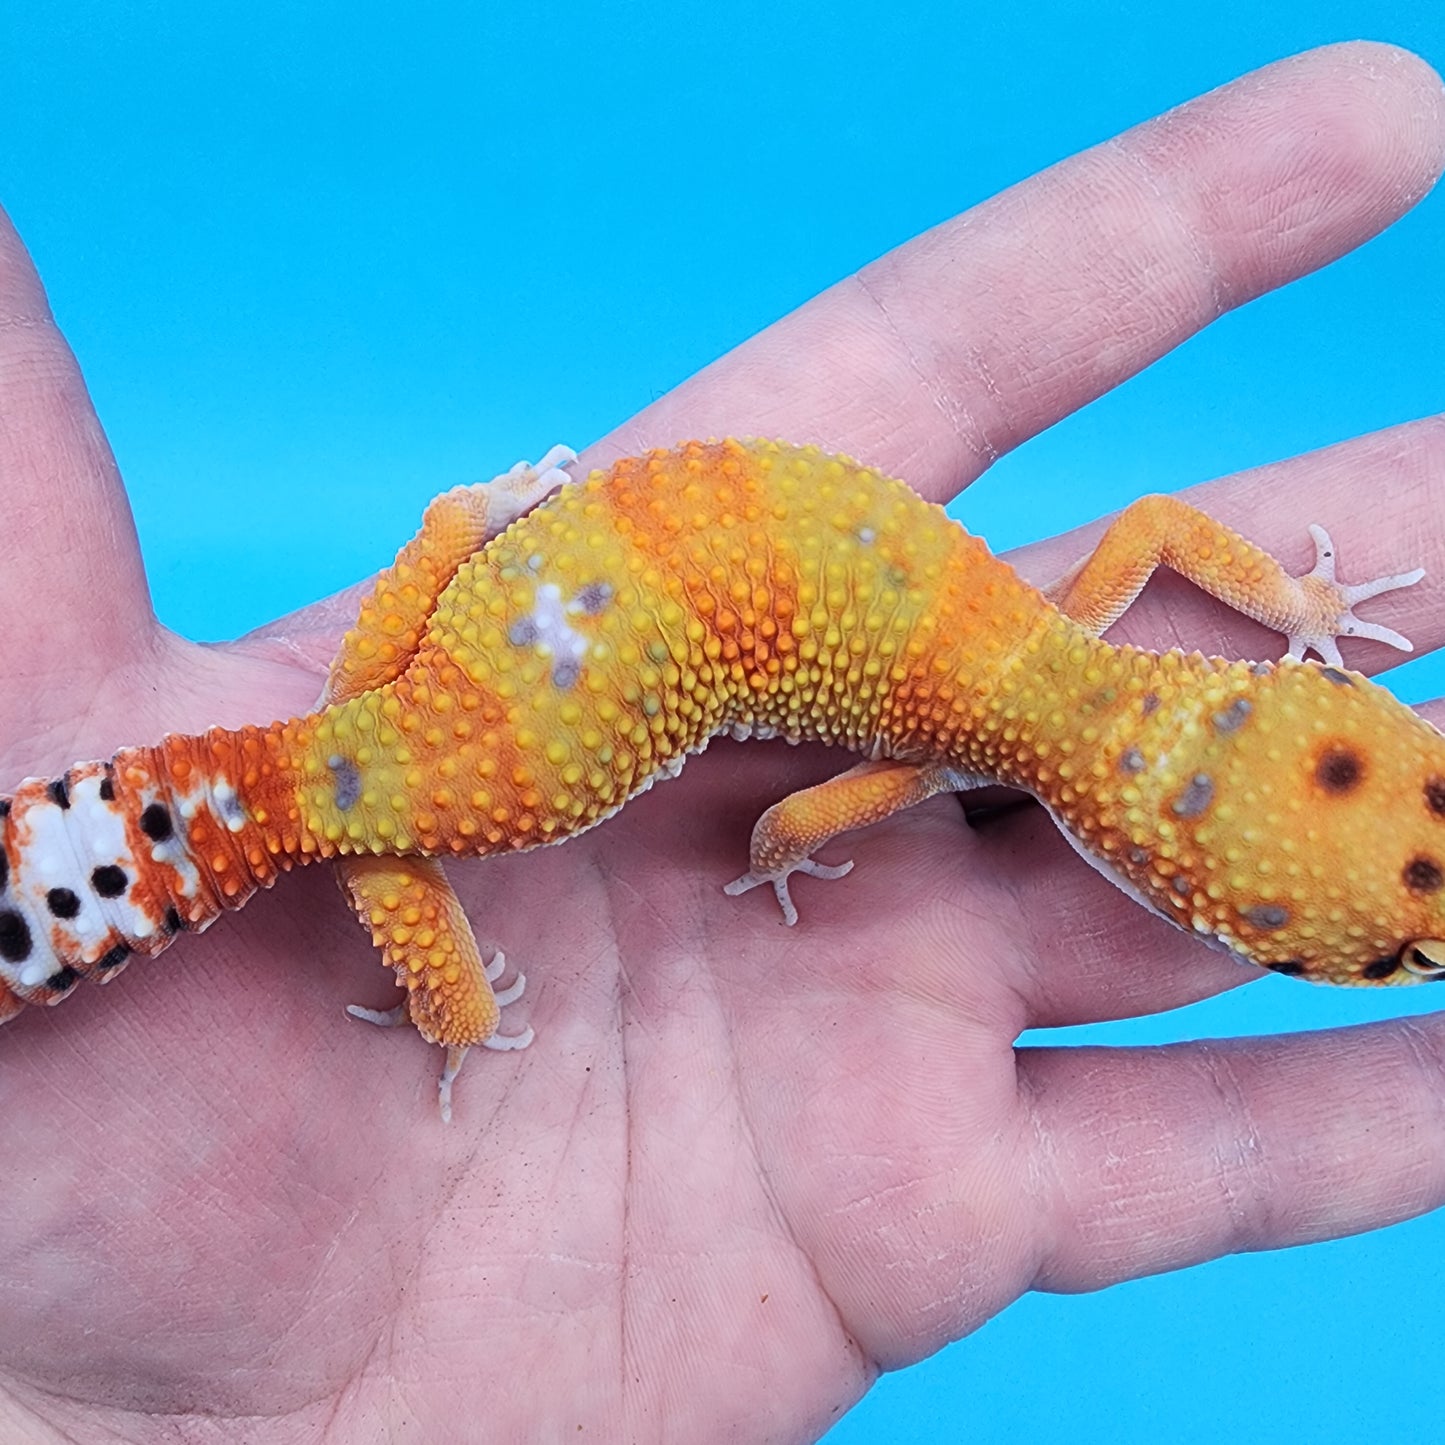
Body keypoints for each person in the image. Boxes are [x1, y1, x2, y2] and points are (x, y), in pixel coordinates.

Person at [2, 40, 1442, 1444]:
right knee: (397, 884)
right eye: (1376, 952)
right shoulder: (925, 770)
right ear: (1162, 878)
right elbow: (786, 828)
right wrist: (511, 990)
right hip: (443, 763)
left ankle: (458, 541)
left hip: (477, 637)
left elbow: (1159, 529)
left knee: (358, 757)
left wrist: (1290, 597)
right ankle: (455, 1011)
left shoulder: (1082, 613)